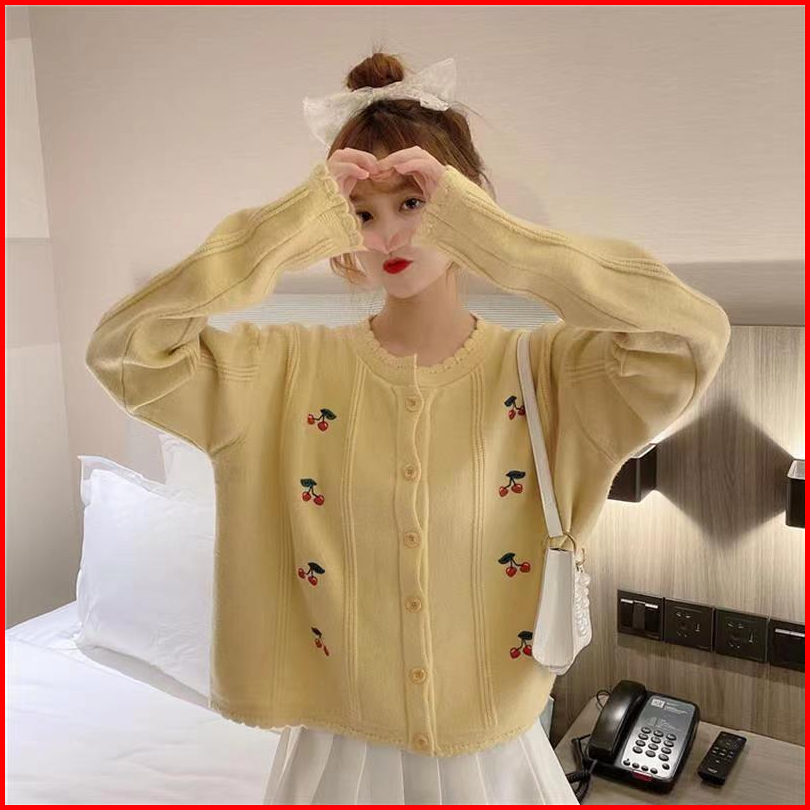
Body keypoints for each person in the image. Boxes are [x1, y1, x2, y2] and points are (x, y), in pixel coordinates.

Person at [85, 51, 731, 804]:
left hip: (493, 762)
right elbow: (126, 351)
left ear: (463, 201)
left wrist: (496, 238)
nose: (386, 234)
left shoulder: (554, 375)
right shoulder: (280, 370)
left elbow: (689, 337)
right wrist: (287, 227)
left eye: (413, 203)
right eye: (361, 213)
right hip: (333, 760)